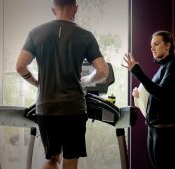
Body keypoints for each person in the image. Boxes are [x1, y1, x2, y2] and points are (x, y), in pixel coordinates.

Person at [15, 0, 108, 169]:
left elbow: (20, 66)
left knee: (52, 159)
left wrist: (38, 84)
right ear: (76, 8)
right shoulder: (85, 35)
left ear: (53, 10)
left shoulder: (36, 33)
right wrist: (84, 81)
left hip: (46, 107)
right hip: (74, 108)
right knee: (71, 159)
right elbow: (103, 71)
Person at [122, 30, 175, 169]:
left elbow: (162, 94)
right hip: (153, 128)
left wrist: (136, 70)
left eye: (156, 44)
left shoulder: (174, 65)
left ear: (167, 45)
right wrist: (140, 95)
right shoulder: (163, 66)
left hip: (165, 132)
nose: (152, 48)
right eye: (151, 46)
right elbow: (154, 93)